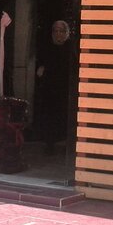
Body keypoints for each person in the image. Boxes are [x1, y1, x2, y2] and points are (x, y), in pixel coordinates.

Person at [34, 20, 77, 155]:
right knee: (50, 117)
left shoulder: (70, 48)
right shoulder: (48, 47)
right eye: (56, 31)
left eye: (61, 31)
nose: (58, 34)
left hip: (65, 89)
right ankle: (50, 145)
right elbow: (41, 65)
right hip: (50, 89)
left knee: (65, 117)